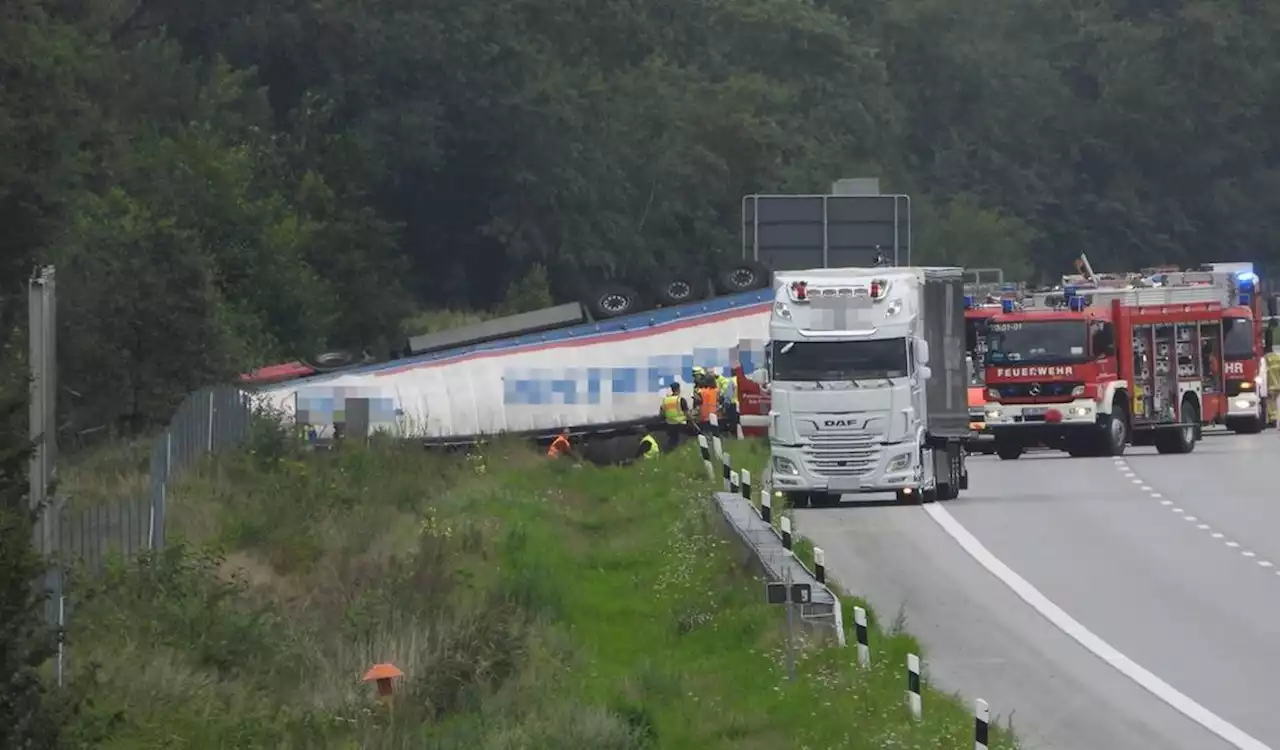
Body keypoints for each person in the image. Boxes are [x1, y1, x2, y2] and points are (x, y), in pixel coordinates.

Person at [659, 381, 691, 447]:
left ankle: (670, 452)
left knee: (672, 441)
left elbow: (661, 413)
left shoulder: (665, 400)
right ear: (679, 389)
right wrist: (692, 422)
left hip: (670, 424)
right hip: (681, 424)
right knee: (682, 443)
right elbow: (687, 413)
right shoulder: (681, 400)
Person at [692, 367, 719, 434]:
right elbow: (718, 399)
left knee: (706, 431)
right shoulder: (716, 390)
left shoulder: (701, 391)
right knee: (714, 431)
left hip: (705, 413)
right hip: (714, 412)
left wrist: (695, 396)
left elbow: (698, 401)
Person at [716, 369, 739, 437]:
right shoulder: (743, 381)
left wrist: (725, 406)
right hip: (742, 405)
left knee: (733, 424)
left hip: (733, 405)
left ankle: (734, 437)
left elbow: (728, 395)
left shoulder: (732, 381)